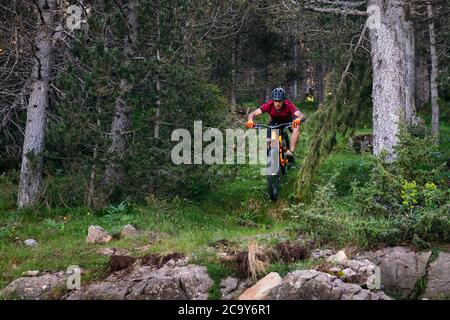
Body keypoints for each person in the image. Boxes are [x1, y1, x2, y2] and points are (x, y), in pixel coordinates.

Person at [246, 87, 306, 158]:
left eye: (280, 101)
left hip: (289, 121)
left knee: (296, 127)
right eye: (275, 101)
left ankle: (291, 152)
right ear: (273, 100)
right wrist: (250, 120)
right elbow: (252, 114)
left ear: (283, 100)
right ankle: (274, 158)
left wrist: (298, 119)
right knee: (269, 142)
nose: (277, 103)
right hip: (275, 122)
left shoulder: (288, 105)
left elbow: (302, 115)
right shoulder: (269, 105)